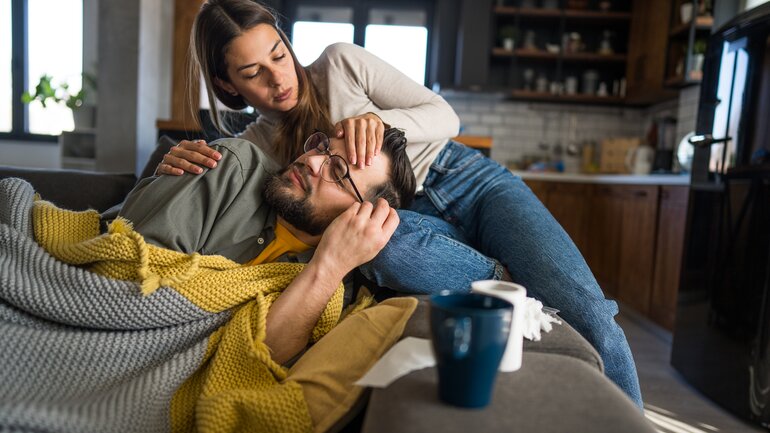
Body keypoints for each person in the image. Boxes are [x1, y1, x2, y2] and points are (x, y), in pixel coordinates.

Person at [154, 0, 643, 408]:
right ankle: (507, 282)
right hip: (410, 218)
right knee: (384, 246)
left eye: (279, 56)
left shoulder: (341, 62)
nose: (278, 79)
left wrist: (379, 122)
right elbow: (224, 200)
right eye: (252, 73)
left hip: (467, 180)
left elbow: (446, 117)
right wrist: (171, 165)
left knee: (587, 310)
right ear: (226, 85)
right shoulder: (258, 144)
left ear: (287, 43)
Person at [119, 127, 416, 364]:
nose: (311, 160)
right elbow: (124, 276)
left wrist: (329, 266)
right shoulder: (230, 166)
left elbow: (258, 360)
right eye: (322, 147)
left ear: (362, 215)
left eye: (338, 173)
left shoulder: (336, 290)